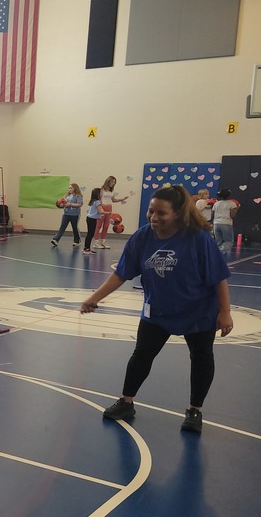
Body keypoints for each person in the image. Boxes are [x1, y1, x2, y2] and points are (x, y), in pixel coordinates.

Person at [80, 185, 233, 433]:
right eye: (151, 211)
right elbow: (121, 274)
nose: (154, 217)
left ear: (177, 213)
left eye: (161, 213)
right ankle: (126, 402)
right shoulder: (142, 237)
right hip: (158, 310)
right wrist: (94, 298)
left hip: (199, 311)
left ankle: (195, 410)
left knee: (202, 358)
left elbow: (219, 277)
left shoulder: (197, 237)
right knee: (142, 354)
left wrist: (224, 312)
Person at [93, 175, 129, 249]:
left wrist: (122, 199)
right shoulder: (101, 189)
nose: (113, 183)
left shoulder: (111, 191)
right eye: (112, 182)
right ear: (108, 181)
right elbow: (97, 199)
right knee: (98, 226)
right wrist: (99, 208)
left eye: (114, 182)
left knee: (106, 226)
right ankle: (96, 242)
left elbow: (113, 200)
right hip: (102, 207)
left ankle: (102, 242)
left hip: (109, 208)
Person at [50, 183, 83, 248]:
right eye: (69, 188)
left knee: (75, 228)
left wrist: (70, 204)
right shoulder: (67, 196)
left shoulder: (78, 196)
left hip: (75, 214)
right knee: (62, 227)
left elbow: (80, 204)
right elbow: (64, 203)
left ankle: (77, 241)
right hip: (66, 214)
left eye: (71, 188)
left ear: (75, 188)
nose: (70, 189)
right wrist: (62, 205)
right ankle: (55, 239)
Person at [211, 189, 238, 253]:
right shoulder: (232, 204)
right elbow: (232, 215)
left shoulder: (216, 203)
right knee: (229, 241)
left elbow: (212, 215)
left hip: (216, 223)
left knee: (218, 241)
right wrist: (236, 209)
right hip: (226, 223)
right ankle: (220, 252)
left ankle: (216, 254)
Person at [83, 187, 102, 255]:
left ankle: (86, 248)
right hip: (92, 219)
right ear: (97, 194)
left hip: (89, 218)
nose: (102, 194)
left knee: (89, 234)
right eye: (101, 192)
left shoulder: (92, 201)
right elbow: (100, 211)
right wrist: (108, 213)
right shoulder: (97, 202)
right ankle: (86, 249)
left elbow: (87, 210)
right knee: (90, 234)